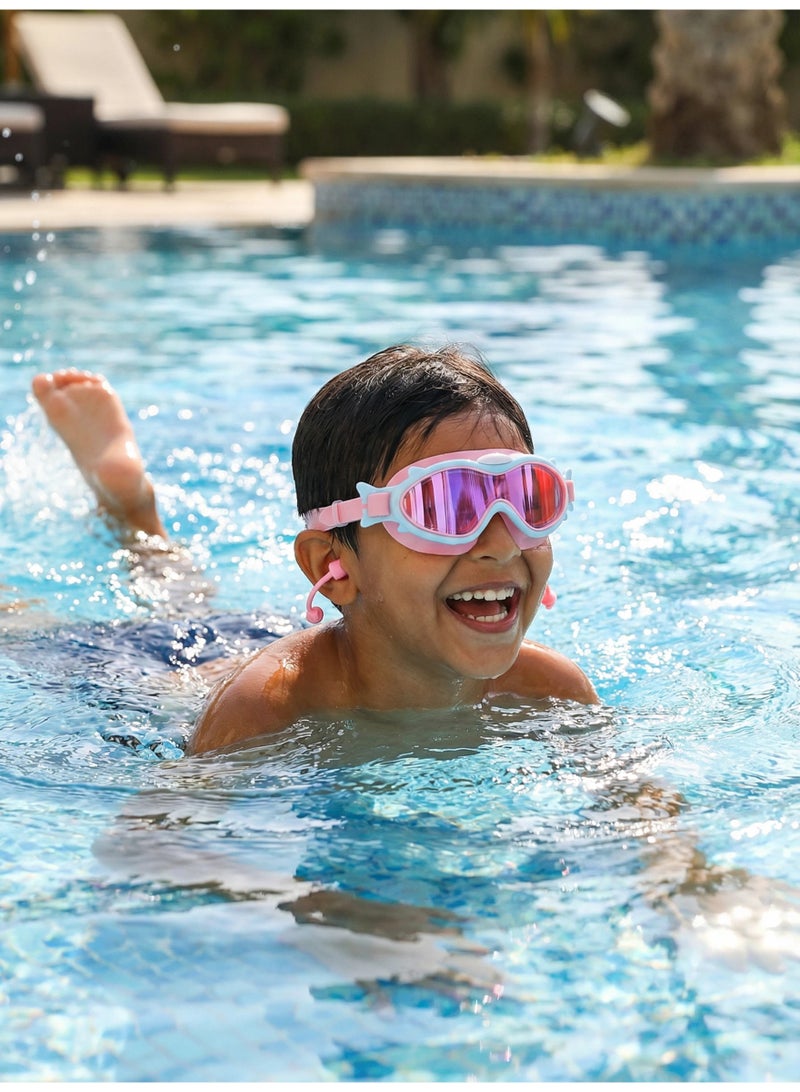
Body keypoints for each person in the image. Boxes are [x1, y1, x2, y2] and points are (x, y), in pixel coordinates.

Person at [31, 345, 598, 756]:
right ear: (333, 566)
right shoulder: (264, 710)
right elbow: (161, 841)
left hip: (318, 631)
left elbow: (632, 803)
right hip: (164, 666)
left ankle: (136, 515)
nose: (501, 543)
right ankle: (134, 514)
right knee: (37, 628)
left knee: (189, 602)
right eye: (442, 508)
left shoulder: (549, 688)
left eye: (529, 499)